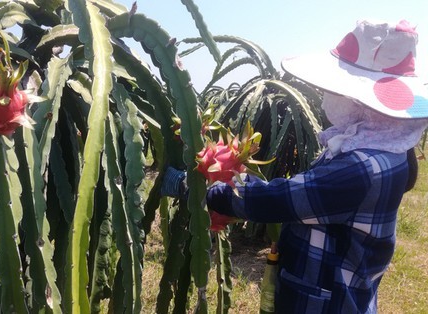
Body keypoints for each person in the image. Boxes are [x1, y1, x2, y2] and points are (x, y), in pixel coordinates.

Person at [163, 19, 428, 313]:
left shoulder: (362, 169)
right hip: (345, 289)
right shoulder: (387, 150)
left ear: (361, 102)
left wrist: (198, 189)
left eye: (340, 90)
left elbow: (285, 200)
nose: (331, 96)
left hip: (324, 304)